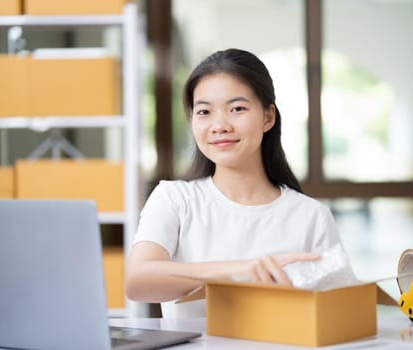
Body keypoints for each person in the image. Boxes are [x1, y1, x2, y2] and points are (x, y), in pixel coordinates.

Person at [125, 48, 350, 317]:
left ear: (268, 117)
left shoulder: (311, 216)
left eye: (237, 109)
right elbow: (137, 282)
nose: (219, 125)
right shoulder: (174, 199)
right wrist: (240, 270)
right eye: (204, 111)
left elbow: (340, 313)